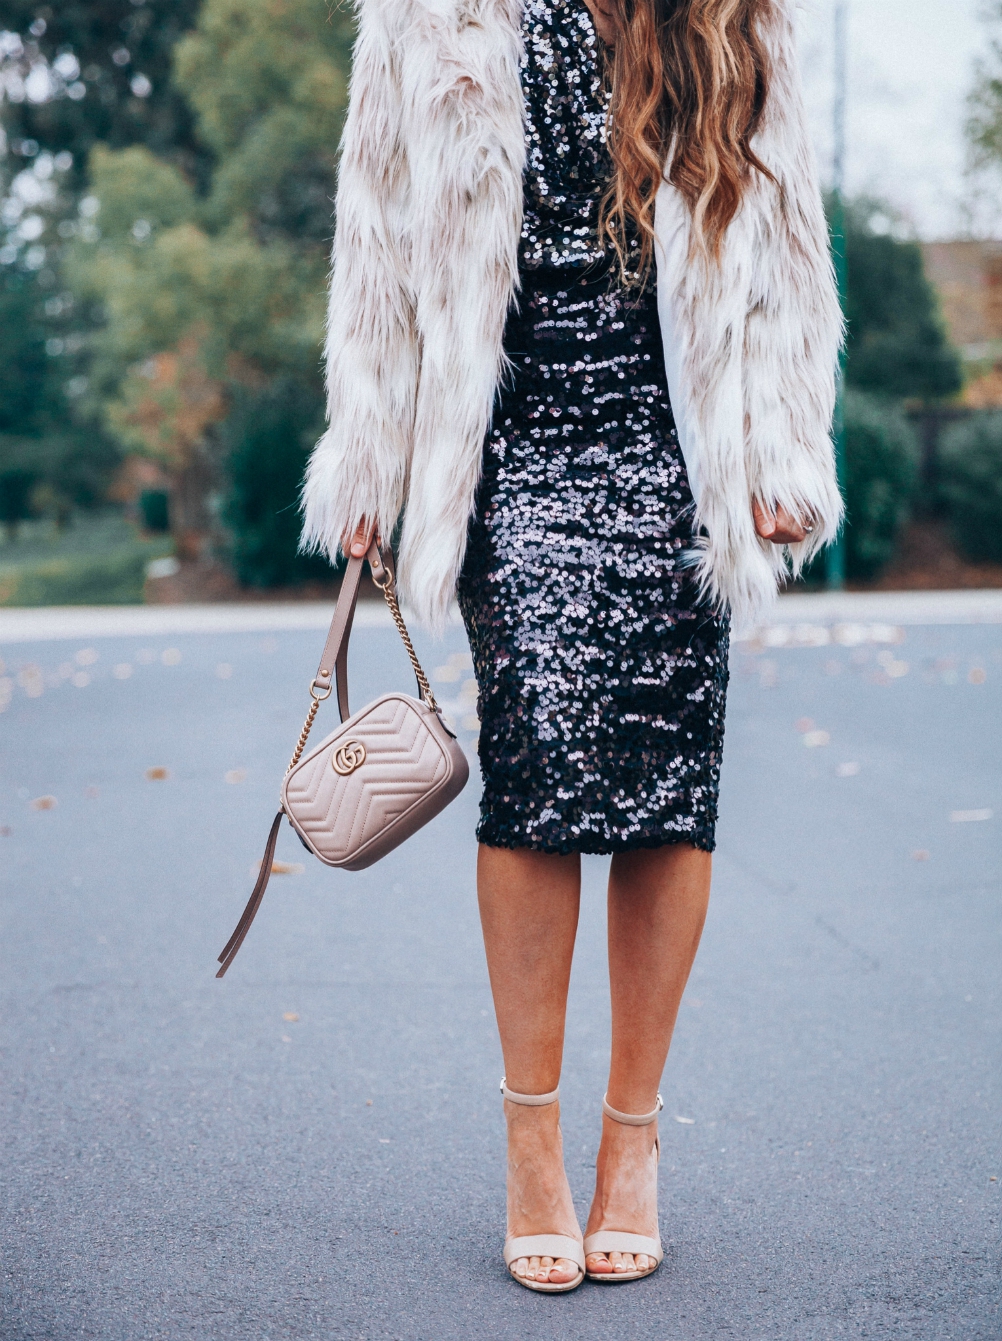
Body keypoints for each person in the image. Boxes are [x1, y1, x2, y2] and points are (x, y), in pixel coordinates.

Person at [303, 0, 841, 1293]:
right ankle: (531, 1138)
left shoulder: (729, 19)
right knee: (538, 787)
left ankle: (632, 1140)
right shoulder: (429, 18)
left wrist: (775, 444)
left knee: (668, 799)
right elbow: (373, 229)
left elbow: (780, 241)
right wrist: (370, 451)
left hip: (680, 441)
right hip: (514, 446)